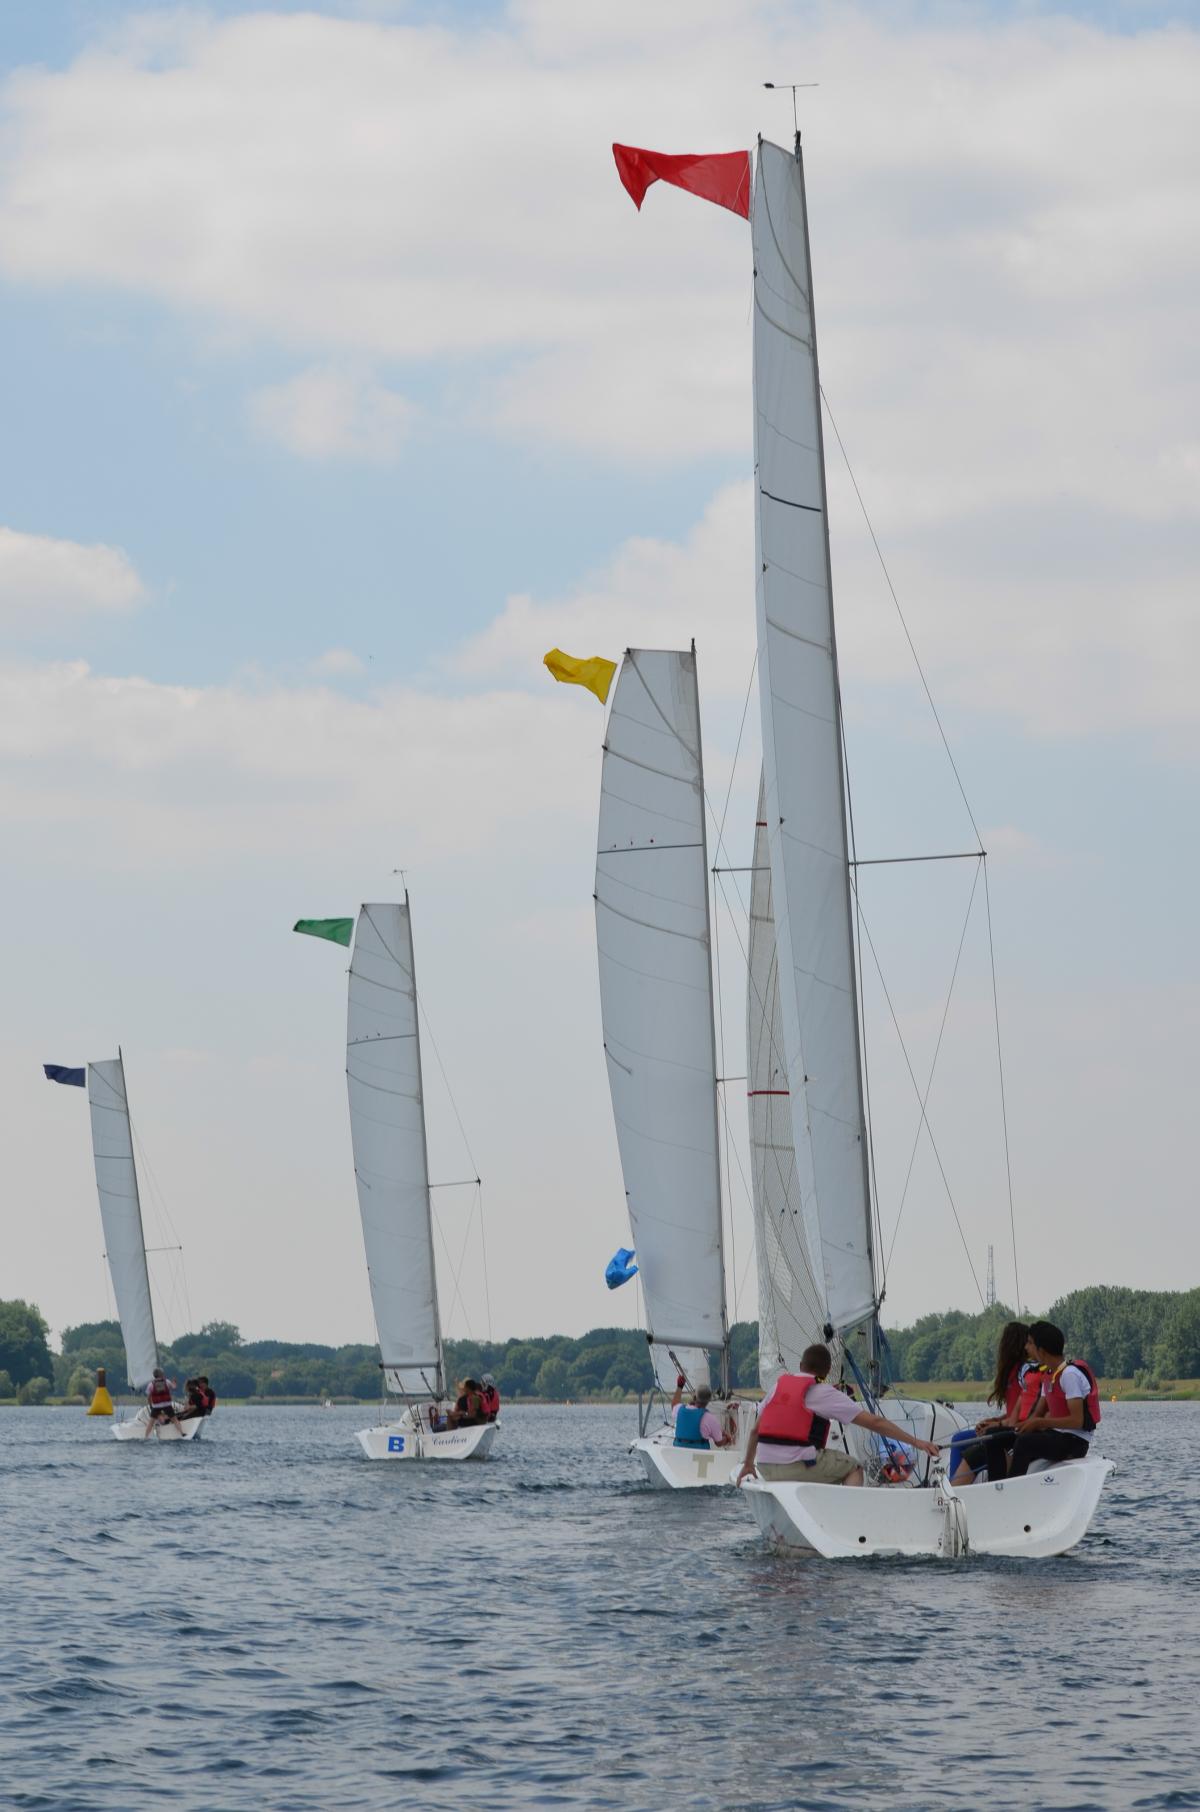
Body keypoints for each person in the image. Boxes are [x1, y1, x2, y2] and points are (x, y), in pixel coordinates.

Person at [737, 1344, 938, 1487]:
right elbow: (875, 1422)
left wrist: (747, 1464)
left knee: (828, 1465)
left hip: (765, 1466)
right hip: (796, 1466)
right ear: (827, 1372)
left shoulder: (777, 1387)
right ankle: (847, 1519)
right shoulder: (823, 1392)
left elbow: (755, 1431)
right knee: (854, 1467)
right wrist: (917, 1442)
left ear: (800, 1365)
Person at [948, 1320, 1042, 1483]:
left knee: (959, 1440)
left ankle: (953, 1484)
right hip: (1010, 1426)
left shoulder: (1022, 1373)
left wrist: (996, 1424)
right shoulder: (1018, 1371)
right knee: (961, 1439)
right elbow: (1016, 1411)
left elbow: (1022, 1414)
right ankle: (956, 1481)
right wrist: (994, 1420)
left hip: (1014, 1431)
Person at [1005, 1322, 1101, 1477]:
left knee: (1024, 1443)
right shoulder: (1049, 1374)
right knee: (1002, 1437)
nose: (1026, 1347)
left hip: (1075, 1441)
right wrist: (1018, 1427)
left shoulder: (1069, 1375)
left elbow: (1077, 1421)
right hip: (1056, 1434)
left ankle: (1011, 1485)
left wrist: (1040, 1423)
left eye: (1030, 1343)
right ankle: (996, 1484)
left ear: (1041, 1351)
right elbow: (1038, 1413)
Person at [670, 1377, 735, 1450]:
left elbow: (674, 1405)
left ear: (694, 1397)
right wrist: (727, 1438)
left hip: (678, 1452)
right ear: (708, 1400)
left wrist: (680, 1386)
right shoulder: (710, 1418)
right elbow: (719, 1443)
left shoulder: (679, 1409)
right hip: (699, 1454)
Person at [143, 1367, 179, 1436]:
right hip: (167, 1405)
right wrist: (175, 1382)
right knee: (173, 1418)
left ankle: (146, 1436)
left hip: (156, 1406)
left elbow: (148, 1397)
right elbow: (174, 1387)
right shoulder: (167, 1381)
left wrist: (150, 1405)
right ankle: (178, 1430)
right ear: (161, 1374)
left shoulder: (151, 1384)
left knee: (151, 1422)